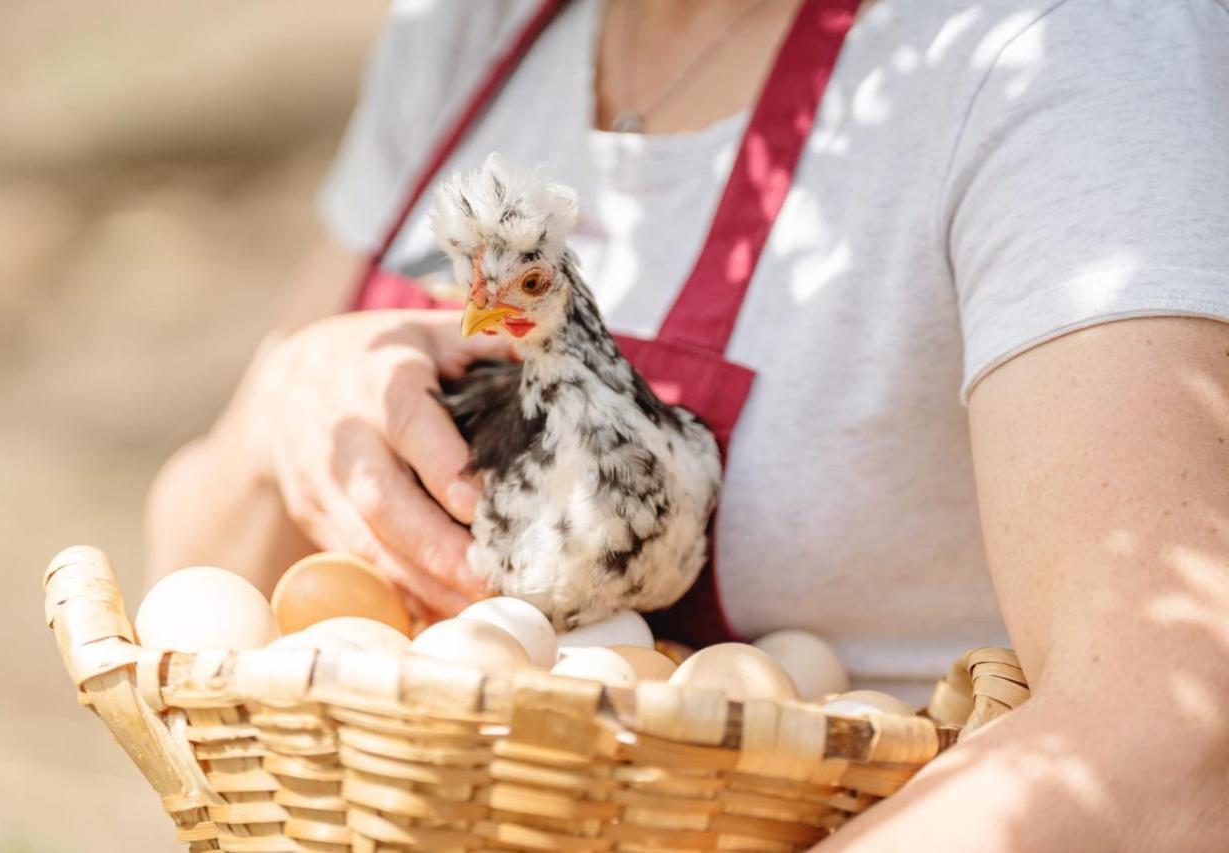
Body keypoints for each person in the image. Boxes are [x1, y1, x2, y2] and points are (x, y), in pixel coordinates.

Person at [146, 0, 1229, 848]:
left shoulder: (1056, 49)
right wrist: (286, 406)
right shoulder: (469, 27)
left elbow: (1176, 741)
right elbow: (187, 603)